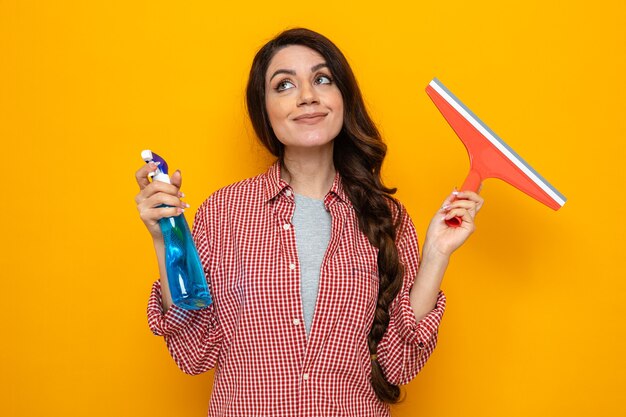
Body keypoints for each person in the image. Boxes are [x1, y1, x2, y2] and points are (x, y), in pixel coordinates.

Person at [134, 28, 483, 417]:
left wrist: (436, 254)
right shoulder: (224, 211)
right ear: (264, 110)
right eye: (284, 85)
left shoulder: (385, 217)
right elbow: (193, 352)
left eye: (321, 79)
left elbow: (399, 363)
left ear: (342, 98)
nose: (307, 96)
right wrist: (166, 239)